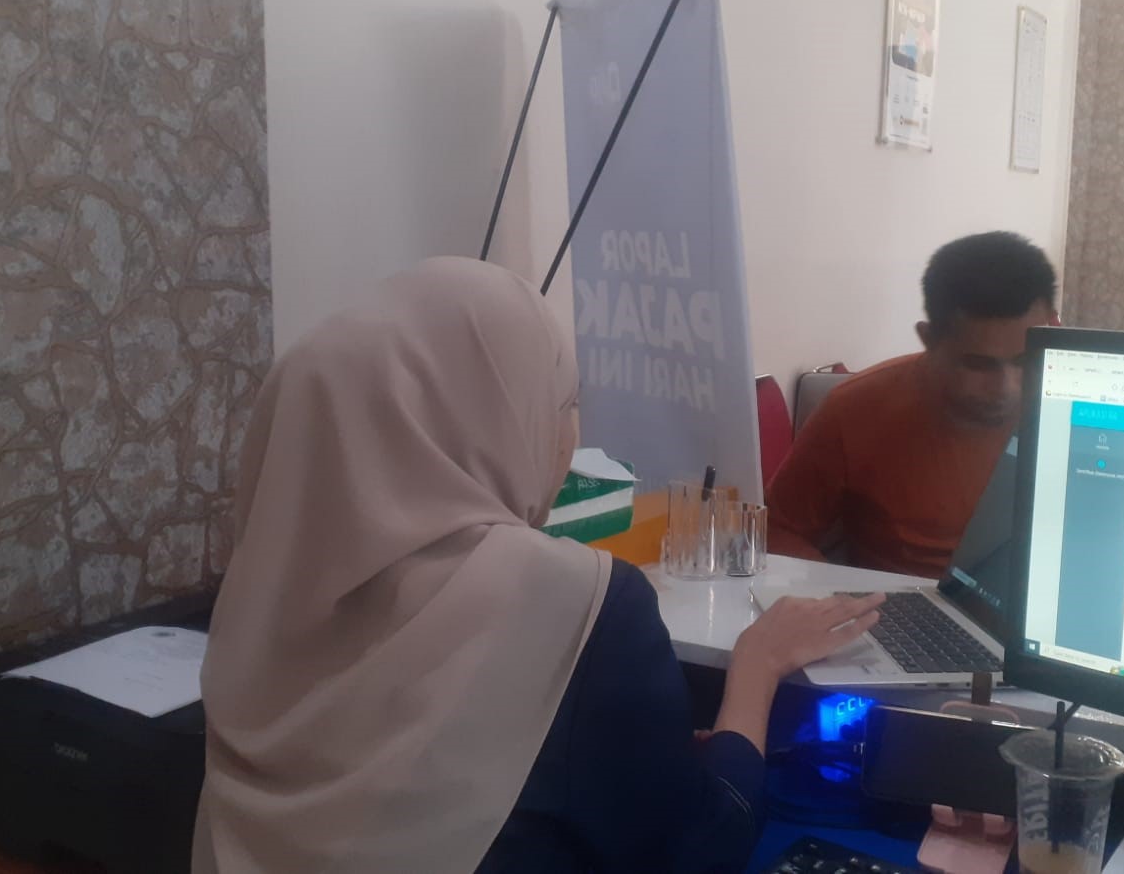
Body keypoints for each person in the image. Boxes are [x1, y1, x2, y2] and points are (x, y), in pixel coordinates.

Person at [192, 257, 885, 874]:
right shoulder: (575, 603)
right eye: (564, 403)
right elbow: (701, 847)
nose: (571, 433)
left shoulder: (254, 599)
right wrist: (756, 669)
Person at [766, 232, 1058, 576]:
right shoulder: (857, 410)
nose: (1007, 388)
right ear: (928, 339)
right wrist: (840, 596)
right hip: (903, 602)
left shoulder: (1087, 400)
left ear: (1054, 326)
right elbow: (776, 531)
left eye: (1025, 360)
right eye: (978, 365)